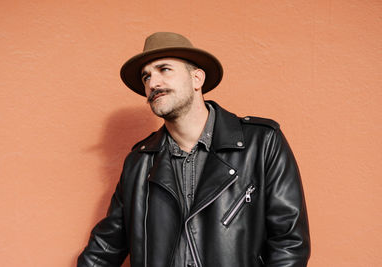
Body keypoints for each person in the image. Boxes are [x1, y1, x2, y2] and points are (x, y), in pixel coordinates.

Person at [78, 32, 310, 267]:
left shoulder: (261, 142)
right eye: (146, 76)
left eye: (164, 69)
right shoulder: (138, 163)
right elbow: (104, 249)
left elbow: (289, 243)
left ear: (197, 78)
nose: (153, 83)